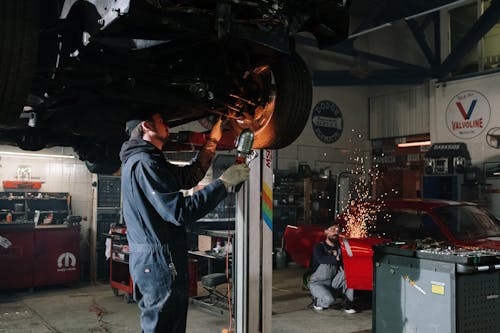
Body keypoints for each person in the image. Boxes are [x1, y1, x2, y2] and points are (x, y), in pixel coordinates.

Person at [119, 111, 250, 333]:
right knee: (163, 327)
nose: (167, 125)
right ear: (146, 126)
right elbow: (179, 212)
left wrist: (212, 140)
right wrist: (222, 184)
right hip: (158, 261)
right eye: (162, 121)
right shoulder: (144, 163)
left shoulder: (148, 160)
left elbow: (188, 176)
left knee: (169, 325)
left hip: (158, 258)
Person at [308, 223, 356, 314]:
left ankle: (348, 303)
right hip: (318, 283)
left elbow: (349, 255)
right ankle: (318, 301)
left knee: (350, 272)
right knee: (329, 300)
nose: (335, 232)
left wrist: (345, 241)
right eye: (332, 229)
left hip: (333, 282)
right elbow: (321, 259)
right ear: (325, 232)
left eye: (337, 230)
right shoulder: (319, 247)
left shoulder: (340, 247)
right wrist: (335, 258)